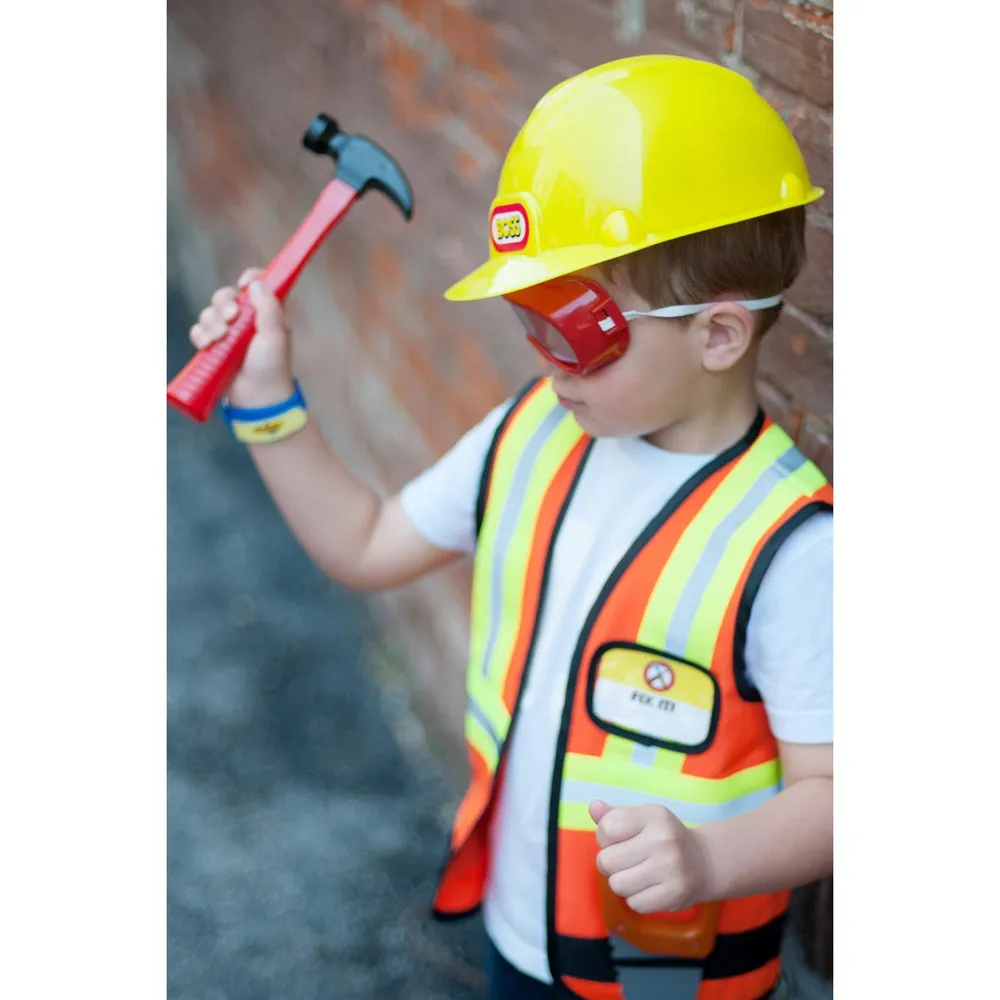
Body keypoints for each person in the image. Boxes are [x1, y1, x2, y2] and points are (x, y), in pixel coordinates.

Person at [188, 55, 833, 1000]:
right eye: (526, 314)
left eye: (573, 327)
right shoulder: (530, 433)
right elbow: (366, 544)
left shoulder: (792, 548)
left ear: (719, 333)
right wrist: (267, 401)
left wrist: (709, 861)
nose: (546, 358)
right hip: (518, 934)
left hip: (670, 977)